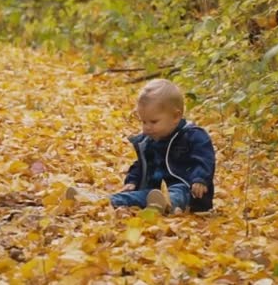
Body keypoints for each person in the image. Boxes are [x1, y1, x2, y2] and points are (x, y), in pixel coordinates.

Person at [67, 79, 216, 214]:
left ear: (176, 117)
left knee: (177, 191)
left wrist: (200, 179)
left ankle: (168, 204)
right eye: (144, 122)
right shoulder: (150, 140)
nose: (146, 128)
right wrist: (132, 181)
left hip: (189, 191)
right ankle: (95, 200)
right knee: (133, 197)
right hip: (153, 191)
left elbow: (205, 158)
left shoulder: (193, 135)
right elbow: (141, 164)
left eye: (153, 122)